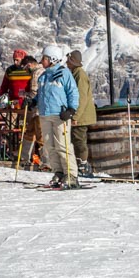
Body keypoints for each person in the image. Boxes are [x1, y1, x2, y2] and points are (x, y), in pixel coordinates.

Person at [36, 44, 80, 189]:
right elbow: (40, 94)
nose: (42, 61)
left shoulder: (64, 74)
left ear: (53, 59)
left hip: (60, 115)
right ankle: (59, 172)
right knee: (50, 146)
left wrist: (71, 109)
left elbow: (72, 92)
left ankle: (71, 174)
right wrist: (32, 101)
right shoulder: (43, 77)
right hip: (45, 114)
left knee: (63, 145)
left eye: (45, 58)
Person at [65, 50, 96, 177]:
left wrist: (75, 115)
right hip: (79, 114)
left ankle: (82, 165)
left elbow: (81, 97)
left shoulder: (79, 75)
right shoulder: (75, 73)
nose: (67, 62)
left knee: (79, 140)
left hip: (81, 116)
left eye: (68, 60)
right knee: (76, 139)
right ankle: (78, 164)